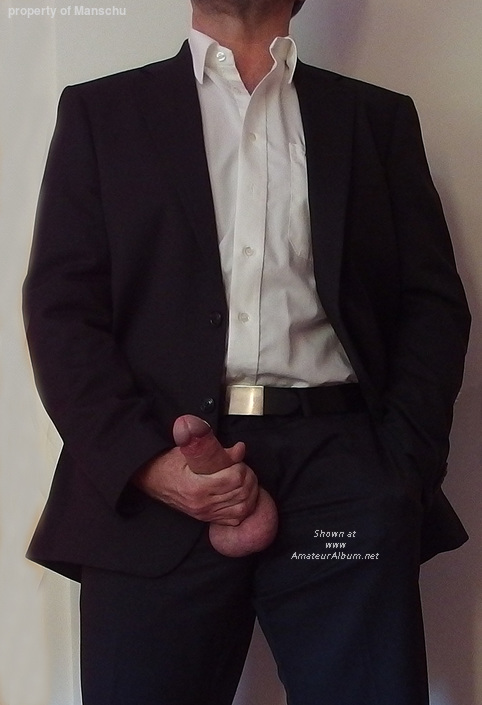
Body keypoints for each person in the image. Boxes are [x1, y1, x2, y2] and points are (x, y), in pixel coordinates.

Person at [23, 0, 471, 703]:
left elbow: (431, 306)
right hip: (158, 472)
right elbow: (61, 310)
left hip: (344, 482)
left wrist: (399, 470)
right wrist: (143, 462)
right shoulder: (102, 112)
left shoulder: (375, 119)